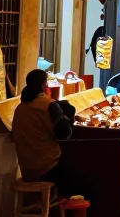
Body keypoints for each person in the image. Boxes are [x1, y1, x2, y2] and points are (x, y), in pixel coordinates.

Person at [11, 69, 94, 201]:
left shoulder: (19, 108)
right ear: (44, 86)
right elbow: (65, 133)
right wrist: (68, 115)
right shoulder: (49, 106)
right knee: (90, 187)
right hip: (46, 169)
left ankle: (60, 211)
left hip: (26, 170)